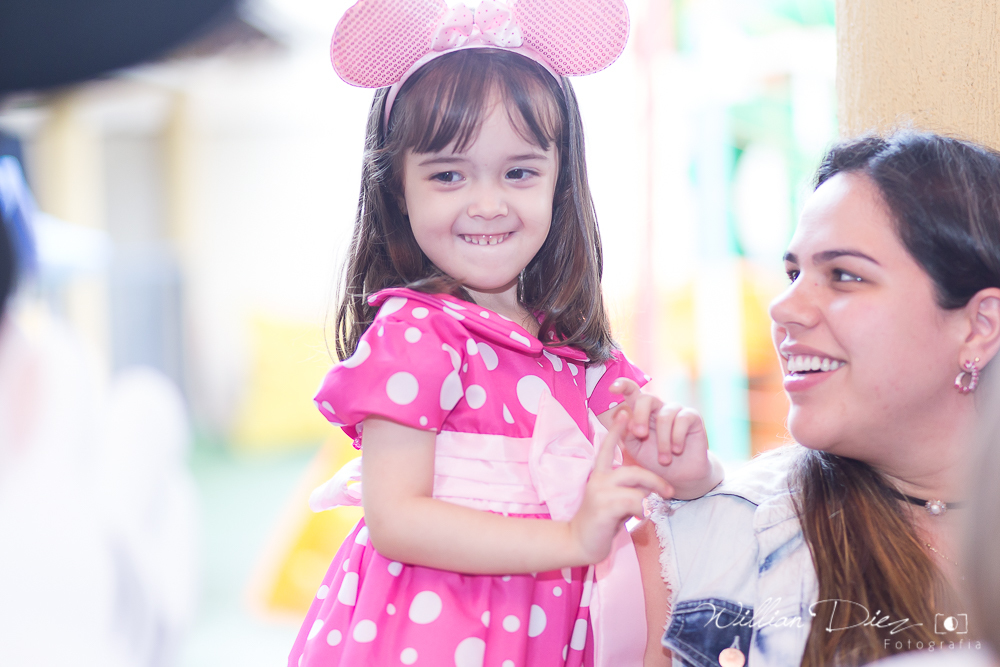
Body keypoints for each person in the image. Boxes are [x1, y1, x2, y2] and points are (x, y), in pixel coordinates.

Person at [287, 1, 724, 666]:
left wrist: (690, 472)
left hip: (547, 636)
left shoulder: (575, 353)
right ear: (398, 189)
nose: (487, 203)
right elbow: (397, 518)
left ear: (559, 180)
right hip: (429, 637)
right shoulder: (418, 332)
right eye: (448, 174)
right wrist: (574, 538)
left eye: (519, 172)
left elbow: (647, 470)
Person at [635, 130, 1000, 667]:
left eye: (844, 276)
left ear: (978, 327)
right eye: (793, 273)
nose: (784, 306)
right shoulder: (725, 533)